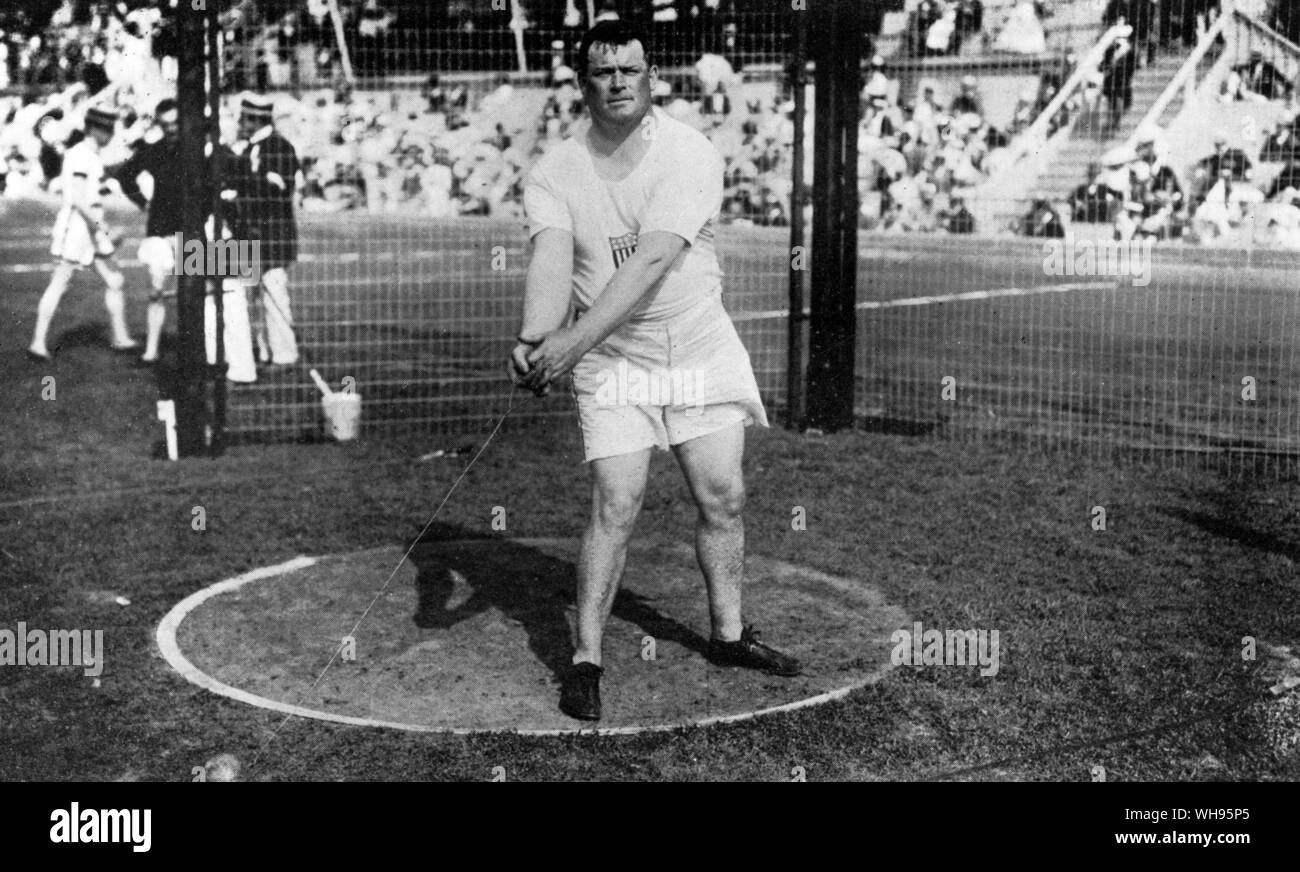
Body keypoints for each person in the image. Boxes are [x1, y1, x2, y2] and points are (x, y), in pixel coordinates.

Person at [509, 21, 800, 722]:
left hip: (694, 342)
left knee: (722, 495)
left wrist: (568, 344)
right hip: (615, 359)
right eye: (603, 73)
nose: (618, 84)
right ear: (582, 85)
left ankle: (729, 634)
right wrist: (534, 336)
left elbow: (650, 261)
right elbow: (553, 257)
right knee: (617, 502)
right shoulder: (553, 171)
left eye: (630, 71)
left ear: (650, 77)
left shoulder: (688, 152)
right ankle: (585, 659)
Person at [29, 106, 135, 361]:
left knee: (115, 280)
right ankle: (37, 342)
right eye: (106, 129)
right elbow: (77, 198)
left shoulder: (92, 155)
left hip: (91, 224)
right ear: (93, 129)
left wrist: (99, 228)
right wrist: (102, 228)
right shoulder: (80, 155)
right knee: (61, 282)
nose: (110, 134)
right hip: (78, 226)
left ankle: (120, 336)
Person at [233, 93, 301, 367]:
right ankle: (262, 350)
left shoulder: (280, 148)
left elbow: (276, 191)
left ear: (256, 119)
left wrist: (243, 178)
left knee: (274, 296)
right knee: (249, 297)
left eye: (244, 118)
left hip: (273, 234)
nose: (240, 123)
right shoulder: (248, 148)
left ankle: (284, 354)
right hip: (248, 234)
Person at [114, 98, 182, 366]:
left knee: (201, 291)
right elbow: (124, 176)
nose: (172, 129)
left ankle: (200, 350)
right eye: (166, 124)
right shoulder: (153, 150)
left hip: (193, 229)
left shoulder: (196, 150)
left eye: (176, 123)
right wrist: (143, 202)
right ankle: (151, 350)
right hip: (159, 229)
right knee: (156, 290)